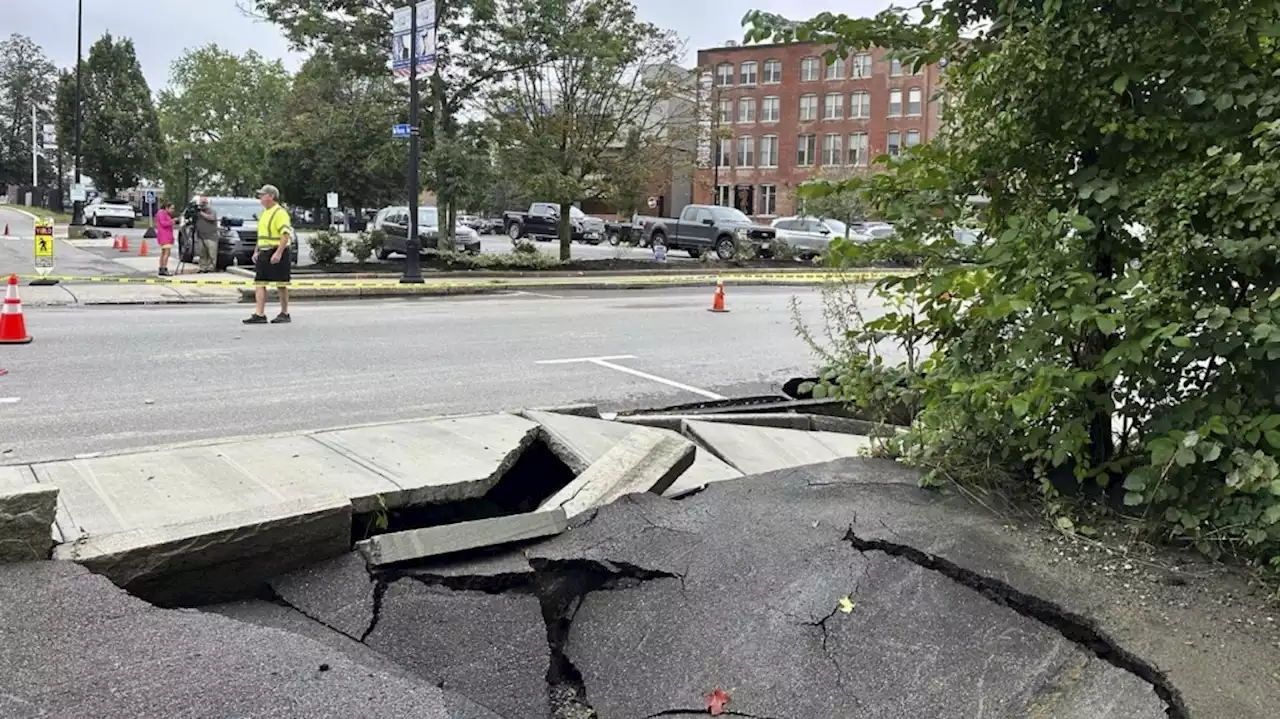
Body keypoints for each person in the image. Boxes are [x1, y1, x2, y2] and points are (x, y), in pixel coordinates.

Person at [243, 184, 293, 325]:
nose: (260, 198)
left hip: (277, 250)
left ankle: (284, 313)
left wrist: (278, 253)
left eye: (262, 195)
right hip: (264, 251)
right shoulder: (264, 213)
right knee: (260, 283)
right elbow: (262, 235)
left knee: (281, 284)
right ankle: (259, 314)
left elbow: (285, 234)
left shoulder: (280, 213)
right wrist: (256, 250)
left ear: (271, 196)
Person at [194, 197, 219, 273]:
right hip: (201, 236)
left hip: (211, 236)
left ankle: (211, 268)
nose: (203, 204)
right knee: (202, 253)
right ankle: (203, 267)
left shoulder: (212, 210)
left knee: (211, 254)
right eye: (201, 203)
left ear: (207, 203)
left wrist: (201, 213)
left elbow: (212, 218)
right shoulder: (197, 211)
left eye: (204, 203)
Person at [155, 201, 175, 276]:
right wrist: (172, 221)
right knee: (167, 252)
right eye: (172, 208)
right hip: (164, 236)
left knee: (164, 252)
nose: (173, 210)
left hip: (166, 235)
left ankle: (161, 268)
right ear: (166, 208)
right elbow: (163, 223)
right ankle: (164, 268)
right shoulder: (162, 213)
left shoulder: (164, 214)